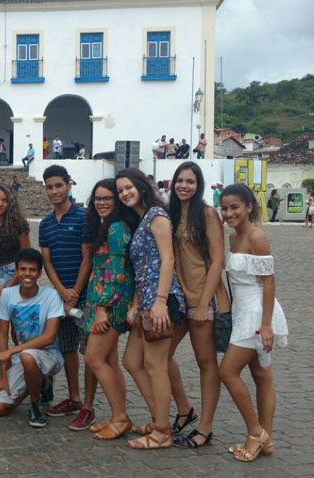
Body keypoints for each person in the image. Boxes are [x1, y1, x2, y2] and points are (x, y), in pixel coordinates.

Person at [115, 168, 185, 450]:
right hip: (145, 303)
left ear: (142, 186)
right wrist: (135, 304)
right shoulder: (141, 219)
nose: (124, 193)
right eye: (120, 190)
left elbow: (168, 260)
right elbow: (140, 269)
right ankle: (159, 418)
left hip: (161, 302)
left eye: (128, 187)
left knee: (156, 367)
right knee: (132, 361)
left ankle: (162, 432)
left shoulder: (157, 216)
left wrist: (159, 302)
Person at [219, 183, 288, 462]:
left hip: (257, 313)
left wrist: (266, 324)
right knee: (261, 376)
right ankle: (266, 440)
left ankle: (255, 432)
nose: (229, 213)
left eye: (234, 207)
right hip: (241, 310)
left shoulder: (256, 237)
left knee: (227, 371)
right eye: (224, 208)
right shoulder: (233, 237)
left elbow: (269, 282)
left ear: (248, 207)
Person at [168, 162, 230, 448]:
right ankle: (185, 410)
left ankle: (205, 428)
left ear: (199, 185)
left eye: (190, 181)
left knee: (206, 363)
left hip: (202, 298)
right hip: (178, 299)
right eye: (180, 180)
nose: (184, 186)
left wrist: (205, 303)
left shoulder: (206, 214)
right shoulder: (170, 213)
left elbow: (217, 260)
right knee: (160, 356)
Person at [39, 165, 95, 431]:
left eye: (58, 185)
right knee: (68, 349)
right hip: (61, 298)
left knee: (91, 354)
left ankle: (88, 407)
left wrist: (74, 292)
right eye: (49, 187)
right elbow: (47, 262)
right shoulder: (46, 224)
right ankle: (74, 398)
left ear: (68, 185)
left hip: (85, 297)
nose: (54, 191)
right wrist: (61, 291)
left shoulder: (83, 218)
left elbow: (87, 258)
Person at [81, 179, 134, 440]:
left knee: (93, 358)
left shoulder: (116, 228)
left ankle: (120, 418)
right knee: (110, 360)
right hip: (102, 299)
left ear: (117, 201)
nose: (101, 203)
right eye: (98, 198)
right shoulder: (107, 225)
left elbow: (115, 271)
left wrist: (102, 308)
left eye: (107, 198)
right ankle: (118, 415)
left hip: (109, 302)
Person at [0, 249, 65, 427]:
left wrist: (12, 351)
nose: (27, 274)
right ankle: (40, 383)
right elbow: (2, 336)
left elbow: (49, 337)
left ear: (39, 273)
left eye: (32, 270)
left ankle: (35, 405)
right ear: (16, 271)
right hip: (24, 359)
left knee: (27, 356)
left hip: (49, 355)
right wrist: (2, 376)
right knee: (0, 407)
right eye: (23, 269)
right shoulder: (7, 295)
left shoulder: (51, 296)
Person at [0, 184, 30, 352]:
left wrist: (9, 286)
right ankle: (6, 366)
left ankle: (22, 364)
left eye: (4, 200)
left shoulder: (18, 224)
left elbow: (26, 257)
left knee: (18, 332)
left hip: (14, 275)